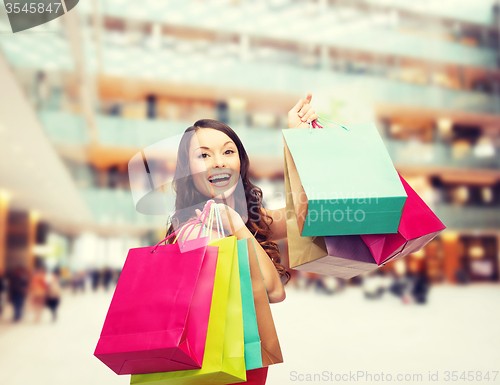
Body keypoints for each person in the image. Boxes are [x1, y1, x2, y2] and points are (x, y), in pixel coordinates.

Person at [165, 93, 319, 303]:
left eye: (228, 151)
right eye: (204, 155)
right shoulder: (195, 233)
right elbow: (273, 291)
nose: (219, 162)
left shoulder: (244, 218)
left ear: (241, 162)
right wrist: (237, 226)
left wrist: (299, 139)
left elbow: (307, 214)